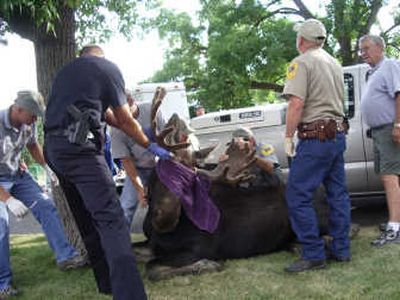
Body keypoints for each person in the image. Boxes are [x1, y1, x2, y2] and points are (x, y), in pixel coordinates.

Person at [44, 45, 171, 299]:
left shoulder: (66, 73)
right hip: (81, 151)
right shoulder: (106, 68)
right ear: (101, 57)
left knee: (86, 220)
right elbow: (124, 119)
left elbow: (109, 118)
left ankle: (107, 283)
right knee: (111, 221)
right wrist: (149, 144)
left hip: (54, 149)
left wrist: (135, 132)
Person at [0, 91, 86, 298]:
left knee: (46, 206)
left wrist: (46, 167)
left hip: (19, 175)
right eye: (33, 115)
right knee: (1, 226)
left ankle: (66, 257)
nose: (35, 119)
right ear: (18, 109)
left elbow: (32, 145)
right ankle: (3, 284)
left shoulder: (28, 122)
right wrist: (8, 200)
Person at [282, 19, 350, 273]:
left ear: (301, 40)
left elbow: (296, 104)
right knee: (338, 194)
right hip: (337, 135)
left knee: (297, 195)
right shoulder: (334, 63)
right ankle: (341, 250)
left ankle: (313, 254)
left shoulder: (300, 63)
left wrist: (288, 137)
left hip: (315, 139)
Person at [358, 35, 400, 246]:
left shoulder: (390, 65)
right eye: (360, 50)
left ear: (380, 47)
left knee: (389, 177)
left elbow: (399, 94)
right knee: (389, 176)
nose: (362, 53)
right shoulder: (372, 73)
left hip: (388, 128)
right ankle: (397, 222)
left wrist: (398, 125)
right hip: (378, 131)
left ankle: (394, 228)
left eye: (366, 48)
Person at [111, 91, 165, 229]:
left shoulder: (151, 109)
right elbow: (127, 162)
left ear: (131, 101)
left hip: (161, 165)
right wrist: (140, 190)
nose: (121, 117)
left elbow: (168, 134)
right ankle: (122, 247)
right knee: (125, 207)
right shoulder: (116, 130)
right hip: (138, 169)